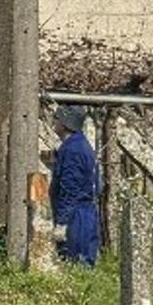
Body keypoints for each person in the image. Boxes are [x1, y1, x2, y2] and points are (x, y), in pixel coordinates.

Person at [50, 104, 100, 266]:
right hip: (84, 212)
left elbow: (70, 188)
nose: (54, 123)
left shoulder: (73, 150)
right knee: (82, 261)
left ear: (65, 124)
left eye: (57, 119)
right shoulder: (81, 145)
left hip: (76, 215)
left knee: (75, 262)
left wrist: (62, 222)